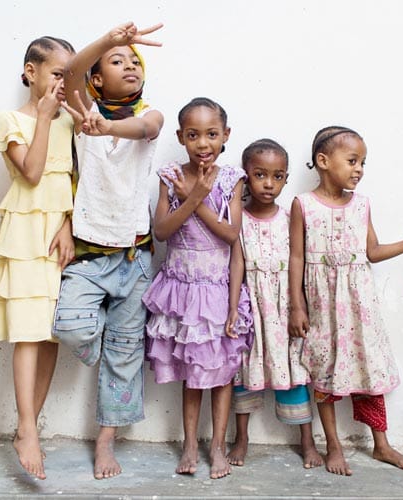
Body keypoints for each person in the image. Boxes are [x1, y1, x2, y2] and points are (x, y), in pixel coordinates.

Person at [288, 126, 403, 476]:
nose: (359, 169)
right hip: (322, 308)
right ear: (323, 161)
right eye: (352, 161)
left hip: (359, 309)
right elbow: (296, 258)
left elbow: (372, 252)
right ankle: (333, 445)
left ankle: (382, 444)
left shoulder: (361, 205)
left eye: (363, 162)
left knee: (369, 368)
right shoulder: (303, 205)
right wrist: (297, 305)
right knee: (325, 371)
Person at [53, 22, 164, 480]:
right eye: (119, 61)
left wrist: (109, 128)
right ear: (97, 79)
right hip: (89, 255)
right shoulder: (82, 109)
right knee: (72, 328)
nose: (130, 65)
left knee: (124, 355)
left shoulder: (149, 114)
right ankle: (102, 340)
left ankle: (105, 442)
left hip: (135, 257)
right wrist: (109, 41)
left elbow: (146, 127)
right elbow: (72, 70)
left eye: (134, 61)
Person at [0, 36, 77, 480]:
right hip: (23, 232)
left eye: (68, 75)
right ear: (30, 72)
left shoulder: (71, 121)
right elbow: (32, 173)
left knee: (50, 332)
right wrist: (44, 118)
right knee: (28, 333)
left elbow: (77, 179)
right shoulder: (9, 120)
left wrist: (69, 224)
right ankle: (27, 428)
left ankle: (27, 428)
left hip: (60, 234)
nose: (62, 83)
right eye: (56, 73)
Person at [143, 97, 252, 479]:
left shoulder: (232, 178)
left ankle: (217, 445)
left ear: (225, 135)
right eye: (193, 135)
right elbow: (161, 232)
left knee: (221, 374)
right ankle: (190, 444)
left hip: (216, 292)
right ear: (180, 137)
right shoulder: (170, 176)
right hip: (182, 292)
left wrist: (198, 199)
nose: (203, 143)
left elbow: (230, 235)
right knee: (191, 372)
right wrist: (190, 195)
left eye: (211, 134)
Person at [227, 139, 323, 470]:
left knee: (294, 370)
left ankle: (307, 441)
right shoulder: (237, 219)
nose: (269, 183)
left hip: (284, 308)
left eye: (278, 176)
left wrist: (299, 307)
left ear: (285, 179)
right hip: (252, 306)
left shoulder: (289, 217)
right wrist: (233, 309)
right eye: (260, 175)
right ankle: (241, 438)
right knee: (244, 371)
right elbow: (236, 265)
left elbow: (300, 264)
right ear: (245, 176)